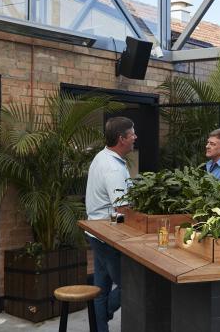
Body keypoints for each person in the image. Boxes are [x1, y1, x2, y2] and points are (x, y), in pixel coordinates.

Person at [85, 117, 136, 332]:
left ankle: (99, 326)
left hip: (97, 232)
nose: (135, 137)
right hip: (107, 236)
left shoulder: (102, 156)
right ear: (121, 139)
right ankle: (105, 312)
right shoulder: (113, 168)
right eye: (132, 134)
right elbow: (122, 209)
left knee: (101, 288)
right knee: (132, 286)